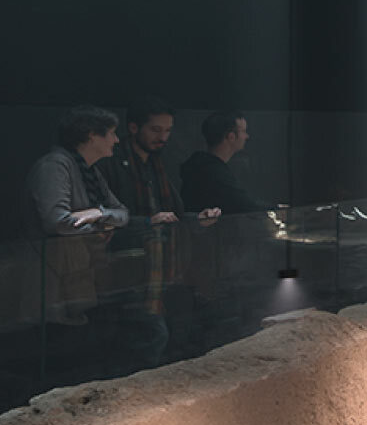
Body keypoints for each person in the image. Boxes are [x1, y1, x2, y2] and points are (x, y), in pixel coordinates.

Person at [25, 106, 131, 327]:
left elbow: (123, 214)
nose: (117, 140)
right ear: (92, 135)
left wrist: (99, 213)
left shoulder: (90, 170)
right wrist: (100, 227)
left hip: (79, 271)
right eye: (112, 133)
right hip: (53, 276)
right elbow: (57, 222)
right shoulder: (54, 166)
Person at [103, 97, 221, 226]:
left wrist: (198, 218)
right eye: (156, 130)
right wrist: (148, 222)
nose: (163, 138)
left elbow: (174, 214)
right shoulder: (111, 161)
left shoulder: (157, 162)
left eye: (168, 130)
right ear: (133, 128)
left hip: (159, 242)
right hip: (125, 243)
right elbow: (106, 217)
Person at [182, 112, 269, 213]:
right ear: (231, 136)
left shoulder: (203, 167)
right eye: (244, 131)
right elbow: (243, 204)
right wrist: (277, 209)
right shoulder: (214, 173)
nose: (247, 136)